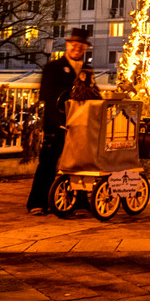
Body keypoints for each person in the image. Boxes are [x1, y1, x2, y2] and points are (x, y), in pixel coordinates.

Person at [26, 27, 96, 213]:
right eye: (74, 45)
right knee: (48, 162)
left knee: (80, 164)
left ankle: (76, 200)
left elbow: (94, 94)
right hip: (57, 122)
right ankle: (38, 202)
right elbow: (46, 95)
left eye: (81, 46)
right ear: (67, 45)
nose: (77, 49)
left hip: (80, 125)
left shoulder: (87, 70)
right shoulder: (53, 68)